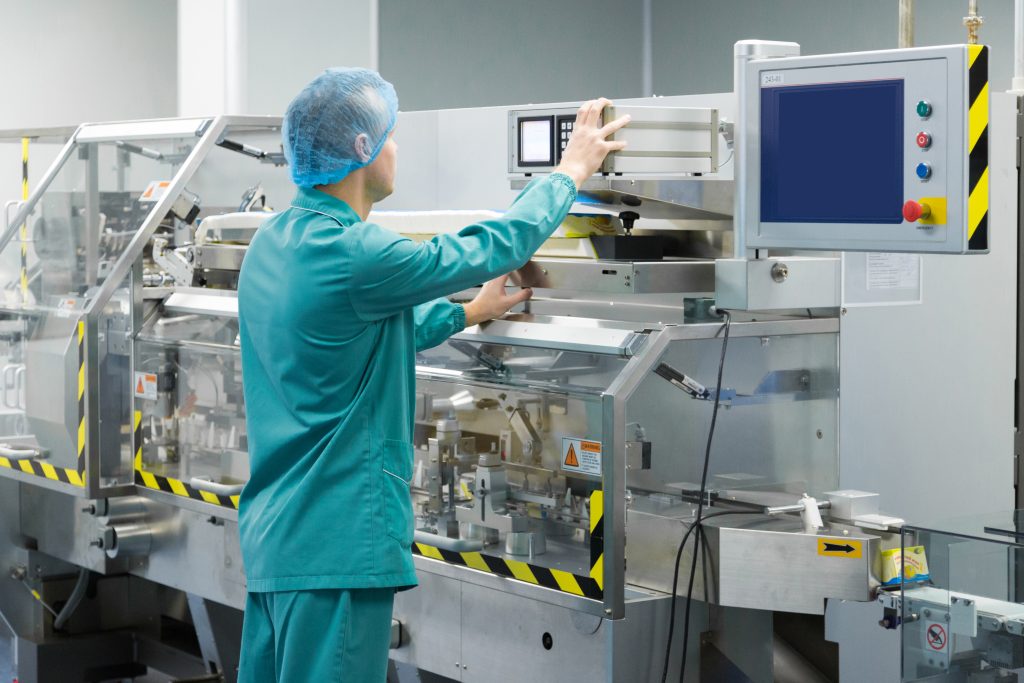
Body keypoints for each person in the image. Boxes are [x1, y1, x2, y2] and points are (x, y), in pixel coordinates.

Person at [235, 67, 629, 682]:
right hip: (337, 544)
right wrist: (570, 170)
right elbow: (492, 245)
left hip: (278, 538)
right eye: (389, 134)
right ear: (363, 150)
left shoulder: (276, 242)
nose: (397, 148)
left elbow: (357, 334)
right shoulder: (356, 254)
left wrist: (469, 311)